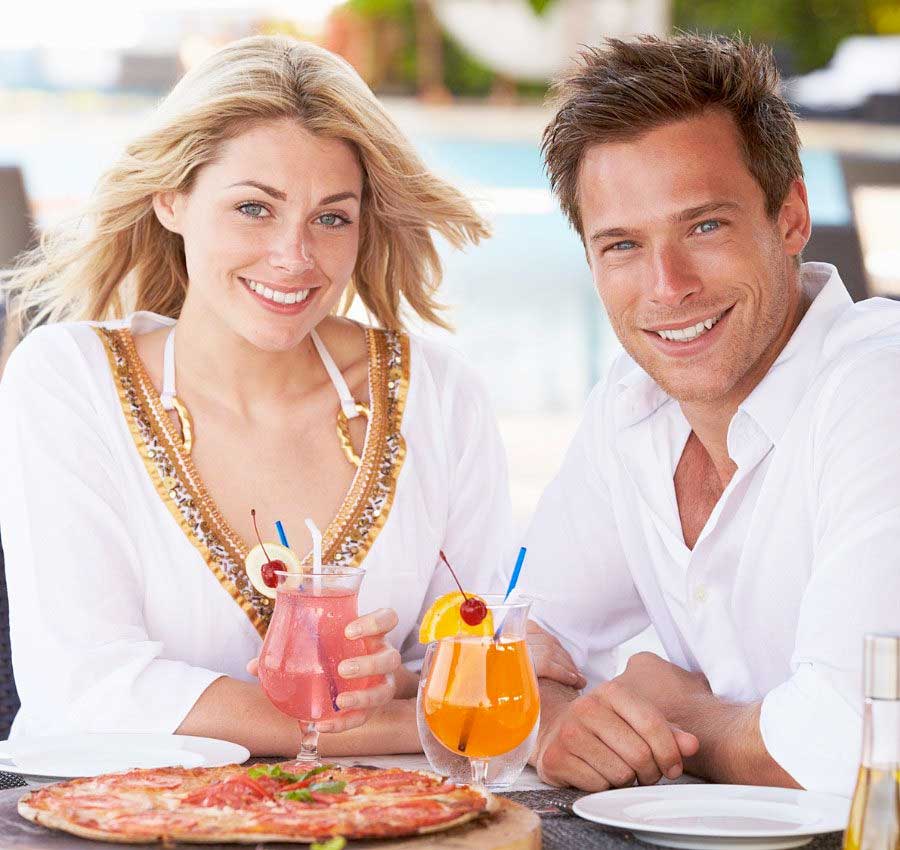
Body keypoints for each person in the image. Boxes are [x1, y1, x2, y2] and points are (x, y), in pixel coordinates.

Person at [0, 35, 582, 755]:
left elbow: (469, 650)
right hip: (124, 824)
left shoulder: (438, 397)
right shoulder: (66, 381)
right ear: (172, 199)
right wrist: (413, 724)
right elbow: (85, 685)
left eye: (331, 217)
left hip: (388, 822)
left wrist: (393, 684)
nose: (295, 257)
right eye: (254, 208)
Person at [515, 33, 900, 797]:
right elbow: (516, 649)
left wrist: (681, 714)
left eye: (704, 226)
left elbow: (859, 746)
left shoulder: (877, 387)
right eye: (622, 244)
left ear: (790, 216)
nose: (668, 286)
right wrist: (557, 725)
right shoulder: (631, 408)